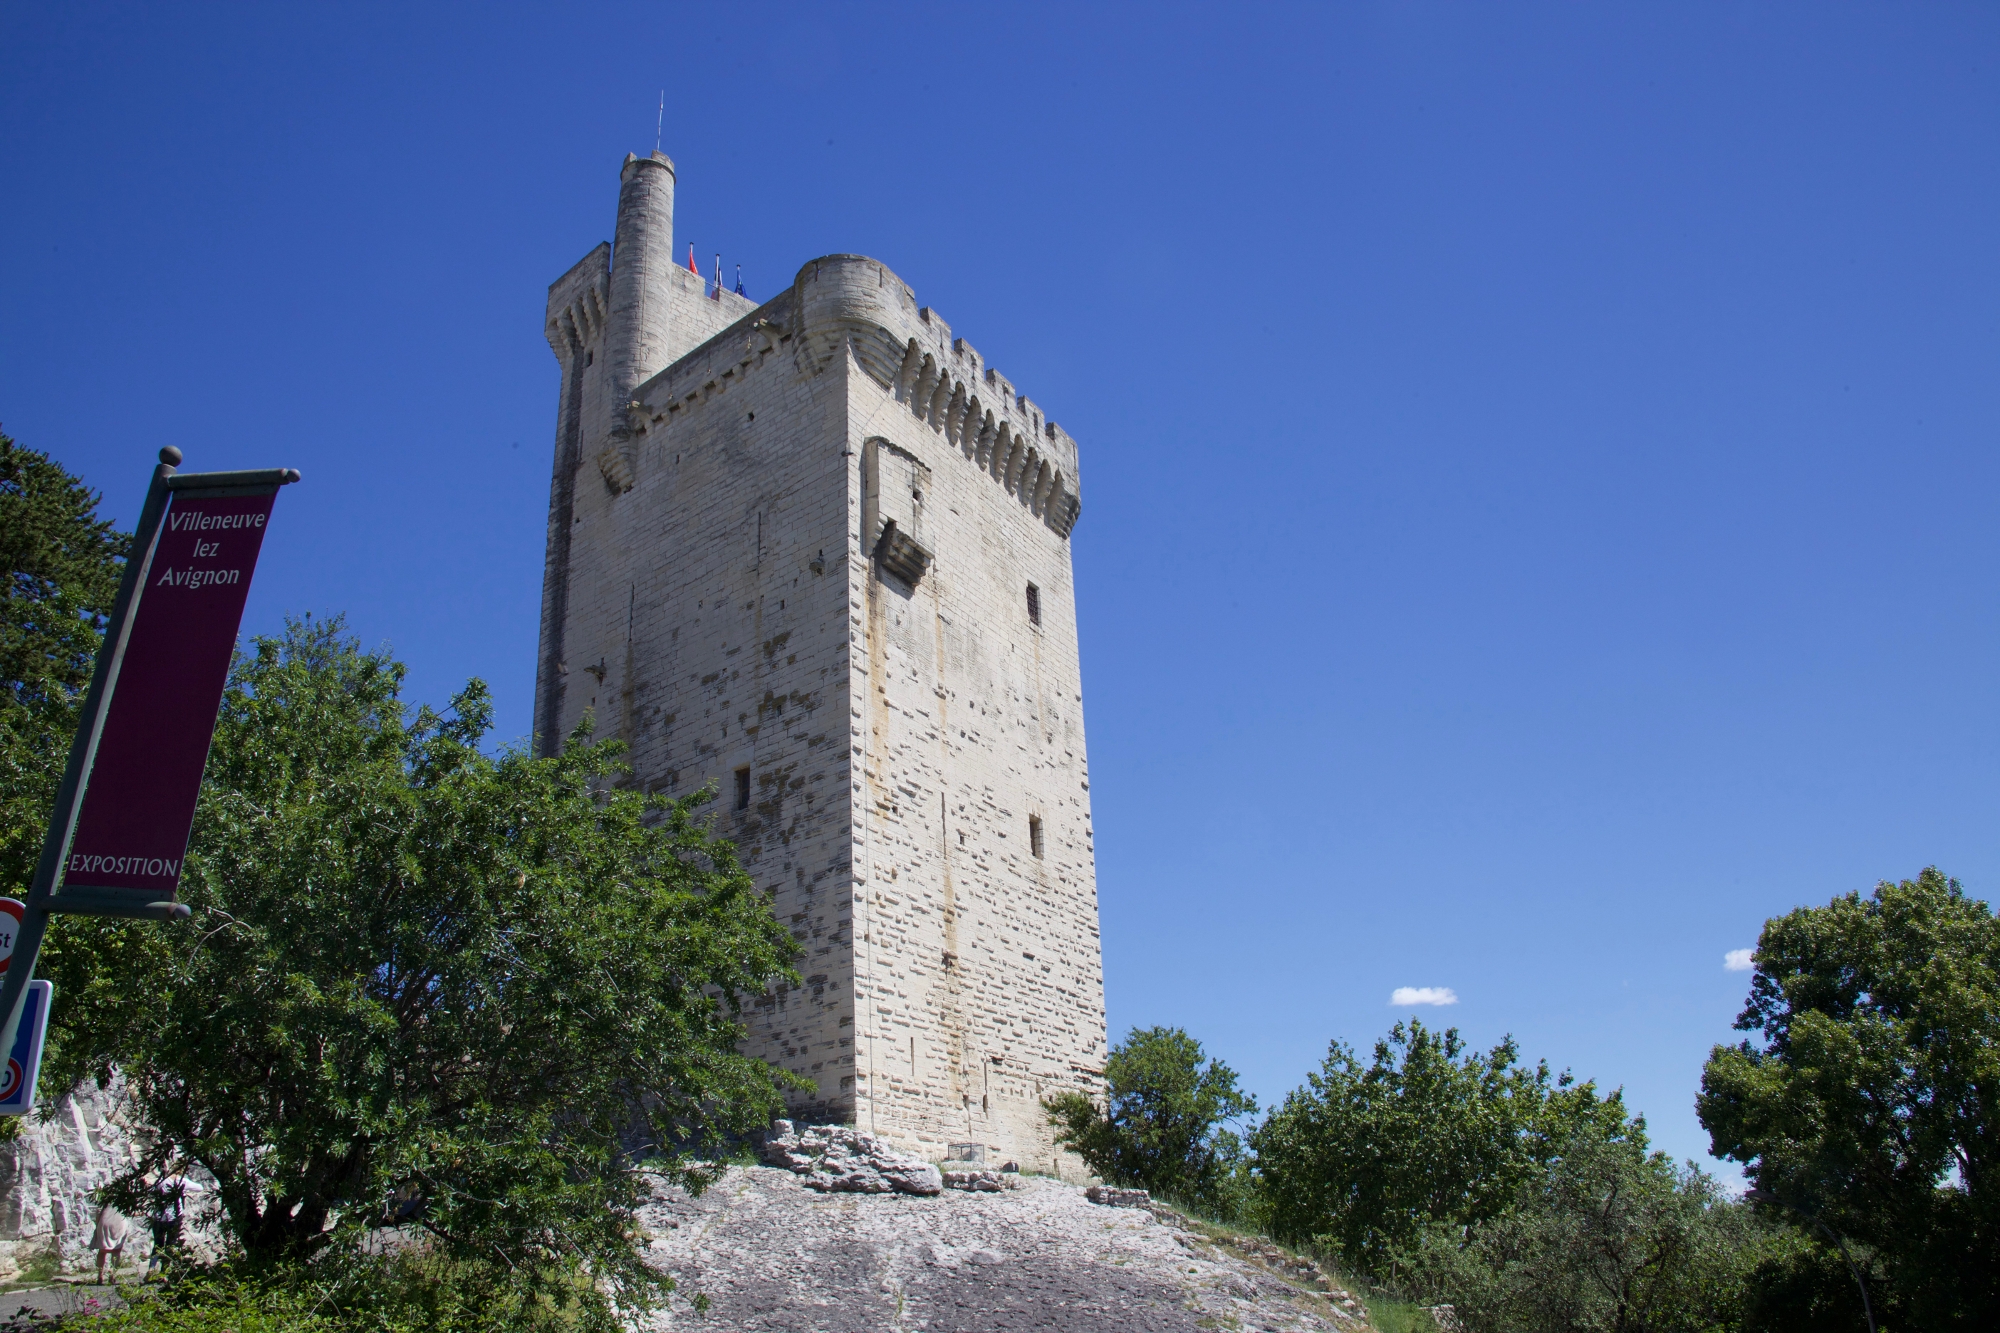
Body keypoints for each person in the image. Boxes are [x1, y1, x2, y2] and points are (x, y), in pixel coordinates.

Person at [88, 1203, 128, 1282]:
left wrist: (97, 1224)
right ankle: (113, 1274)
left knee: (102, 1251)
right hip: (119, 1221)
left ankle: (100, 1275)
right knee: (116, 1250)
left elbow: (99, 1211)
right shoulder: (125, 1198)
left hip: (104, 1220)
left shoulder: (106, 1197)